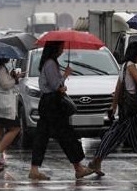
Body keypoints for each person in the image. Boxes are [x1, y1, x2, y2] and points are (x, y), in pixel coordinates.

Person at [88, 41, 137, 176]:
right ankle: (96, 160)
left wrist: (114, 106)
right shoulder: (131, 66)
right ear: (136, 54)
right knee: (115, 136)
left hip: (129, 109)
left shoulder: (124, 66)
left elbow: (118, 88)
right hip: (131, 110)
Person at [28, 41, 94, 180]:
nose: (63, 49)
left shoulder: (48, 62)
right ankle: (78, 168)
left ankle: (35, 169)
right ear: (55, 48)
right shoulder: (51, 63)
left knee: (43, 136)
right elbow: (55, 85)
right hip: (52, 104)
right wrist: (65, 76)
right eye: (61, 46)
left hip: (48, 103)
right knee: (66, 134)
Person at [0, 58, 22, 167]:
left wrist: (10, 75)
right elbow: (5, 84)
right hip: (2, 104)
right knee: (15, 128)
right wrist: (15, 79)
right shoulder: (0, 67)